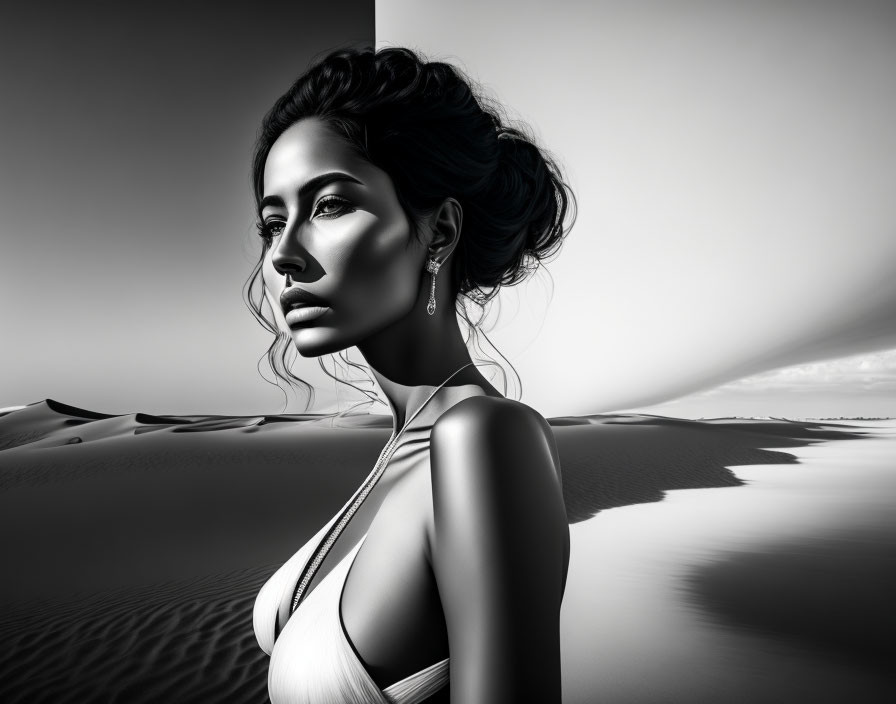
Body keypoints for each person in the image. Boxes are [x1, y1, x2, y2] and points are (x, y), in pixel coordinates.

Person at [250, 45, 575, 704]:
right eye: (271, 223)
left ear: (439, 232)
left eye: (329, 206)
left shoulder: (485, 440)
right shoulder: (405, 447)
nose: (284, 255)